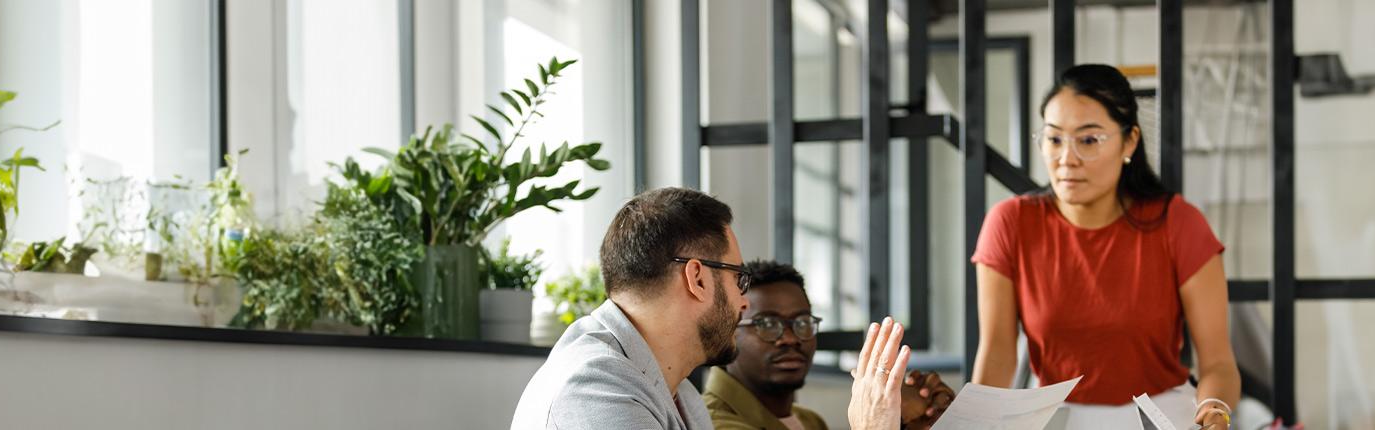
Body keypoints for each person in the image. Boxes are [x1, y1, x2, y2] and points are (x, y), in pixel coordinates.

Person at [969, 65, 1240, 428]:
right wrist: (973, 424)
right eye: (1054, 139)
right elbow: (997, 354)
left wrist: (1216, 411)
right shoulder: (1010, 224)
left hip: (1159, 416)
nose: (1067, 159)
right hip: (1055, 417)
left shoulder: (1178, 223)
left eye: (1089, 140)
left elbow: (1218, 363)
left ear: (1129, 142)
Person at [512, 187, 912, 430]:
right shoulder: (597, 394)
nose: (742, 300)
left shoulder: (678, 391)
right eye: (738, 279)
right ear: (698, 278)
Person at [704, 260, 956, 430]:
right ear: (730, 330)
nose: (791, 338)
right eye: (768, 324)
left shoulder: (809, 421)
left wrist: (903, 423)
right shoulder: (711, 423)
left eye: (802, 322)